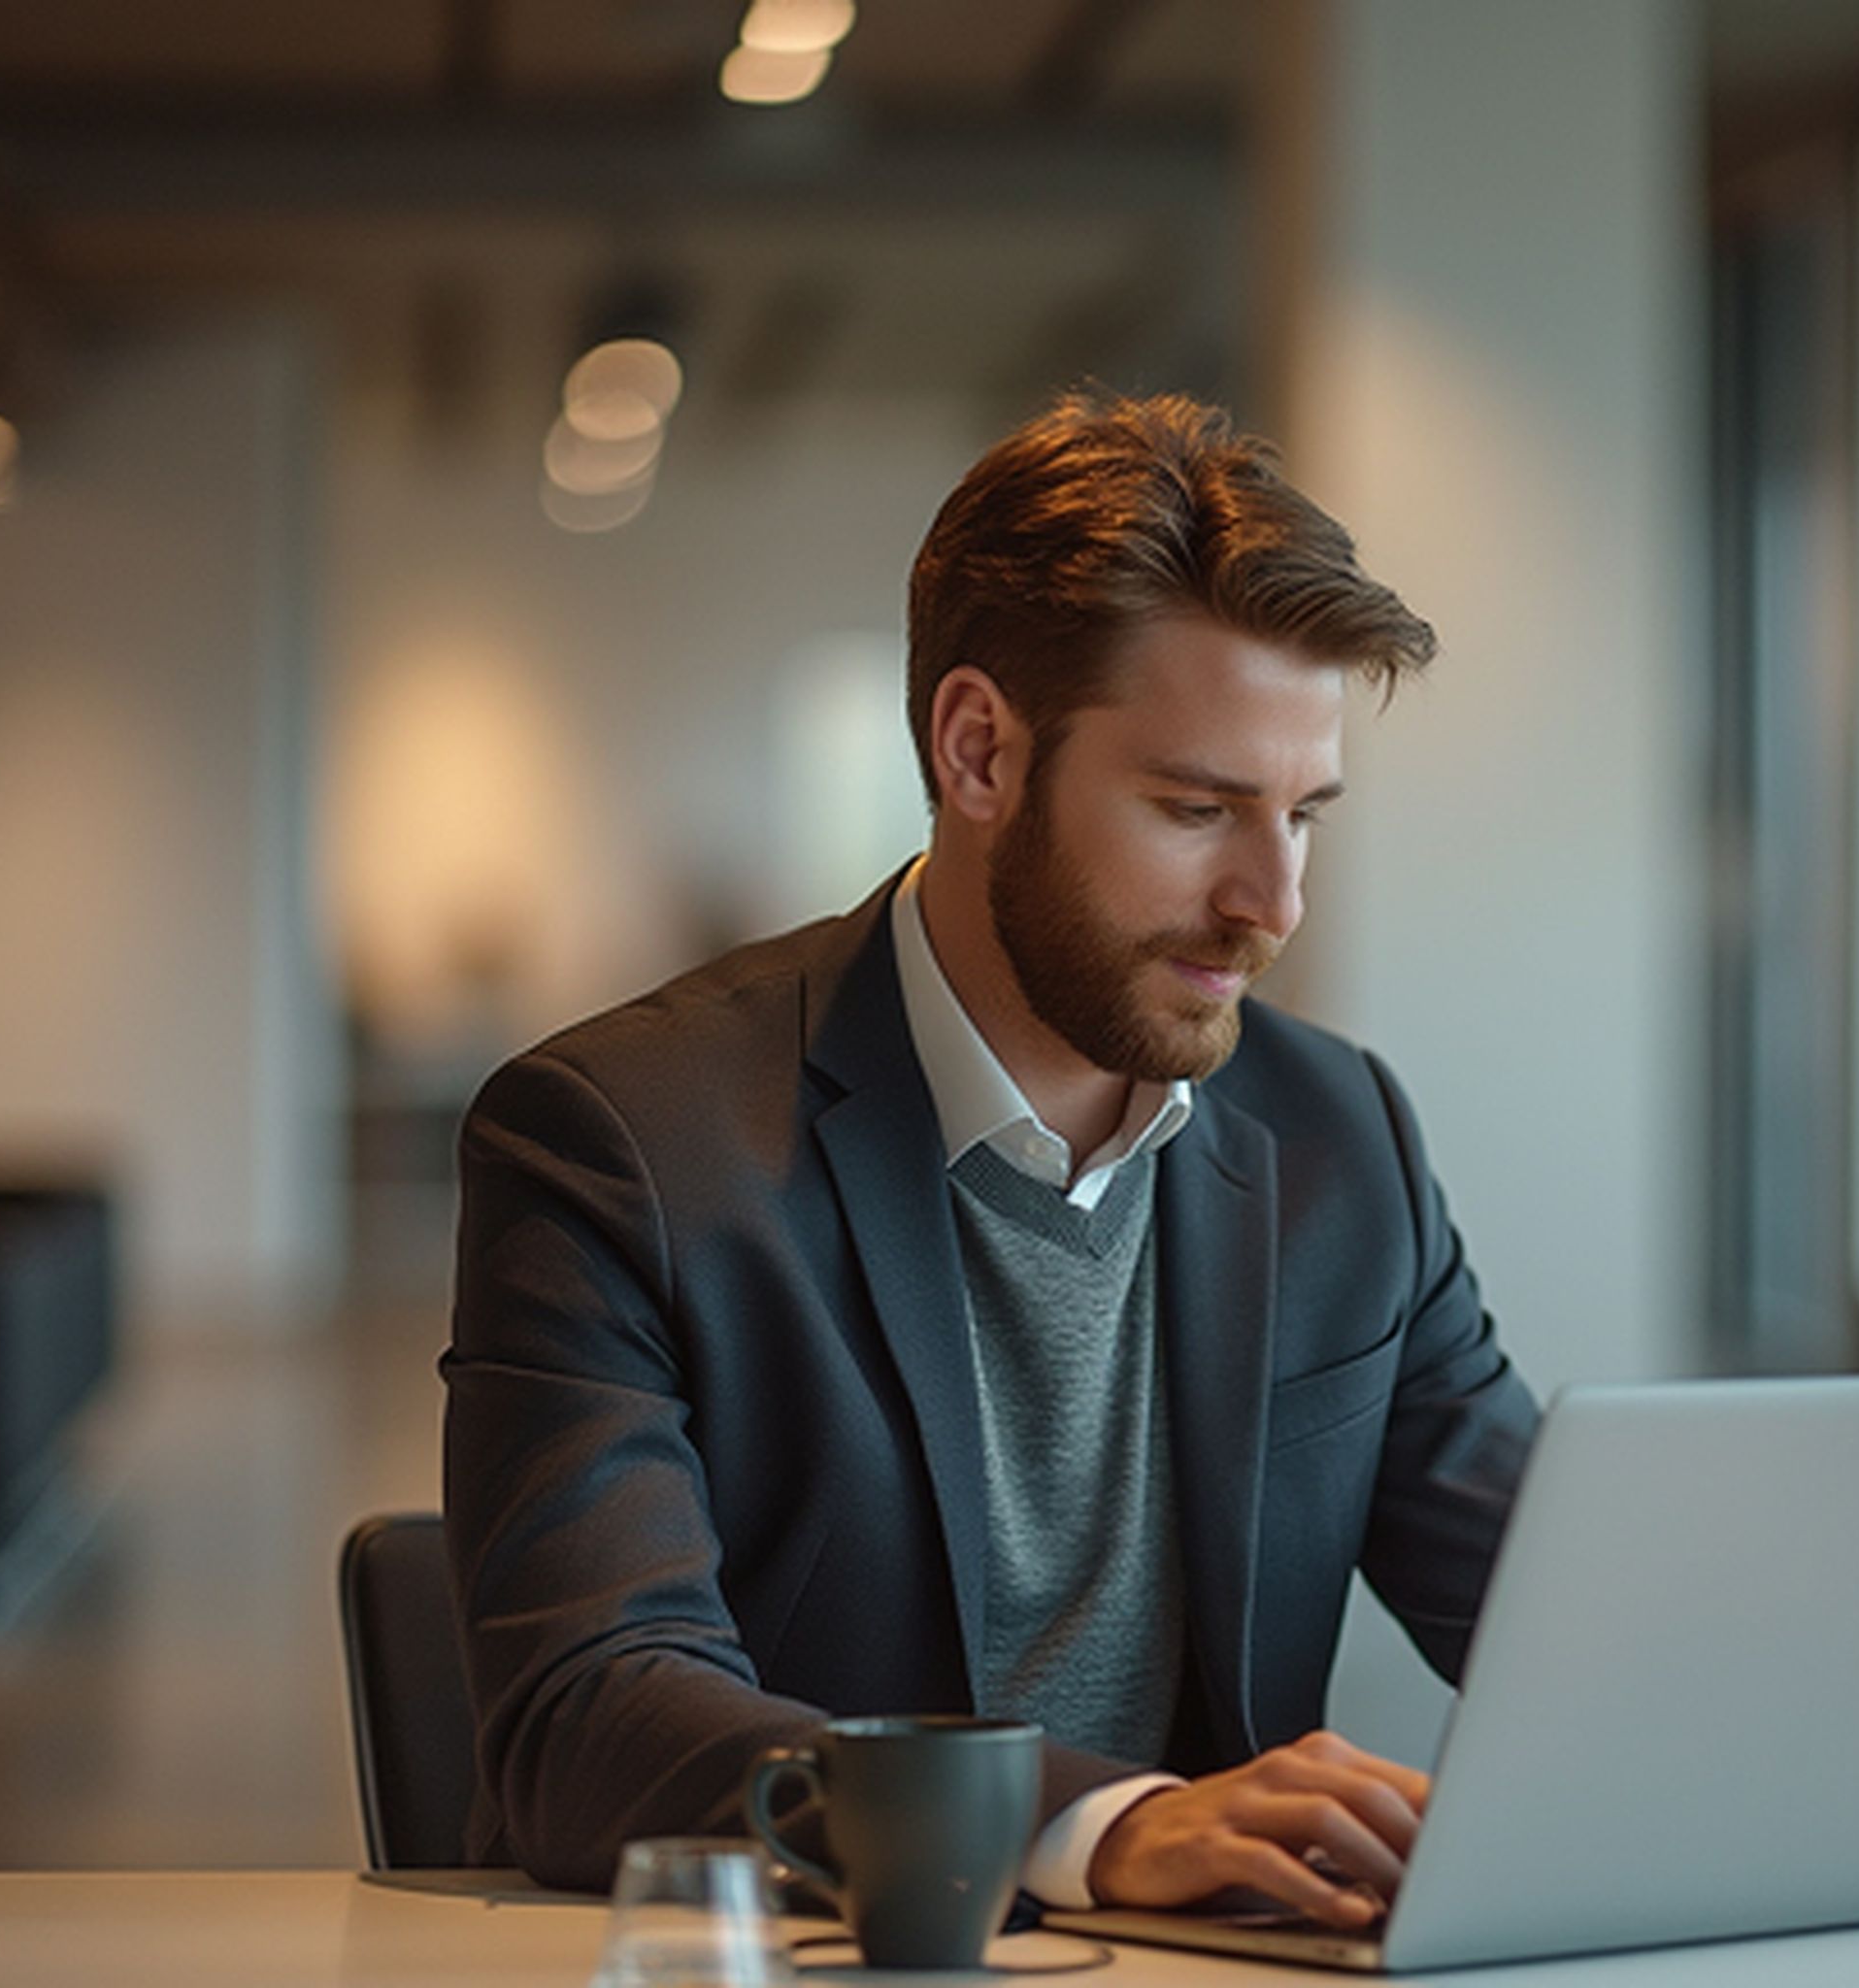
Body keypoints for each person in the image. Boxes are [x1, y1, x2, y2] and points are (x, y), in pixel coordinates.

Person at [441, 391, 1541, 1927]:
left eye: (1304, 816)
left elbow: (1563, 1611)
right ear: (979, 752)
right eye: (1197, 809)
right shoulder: (624, 1144)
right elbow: (590, 1717)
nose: (1273, 902)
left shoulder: (1340, 1139)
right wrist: (1104, 1825)